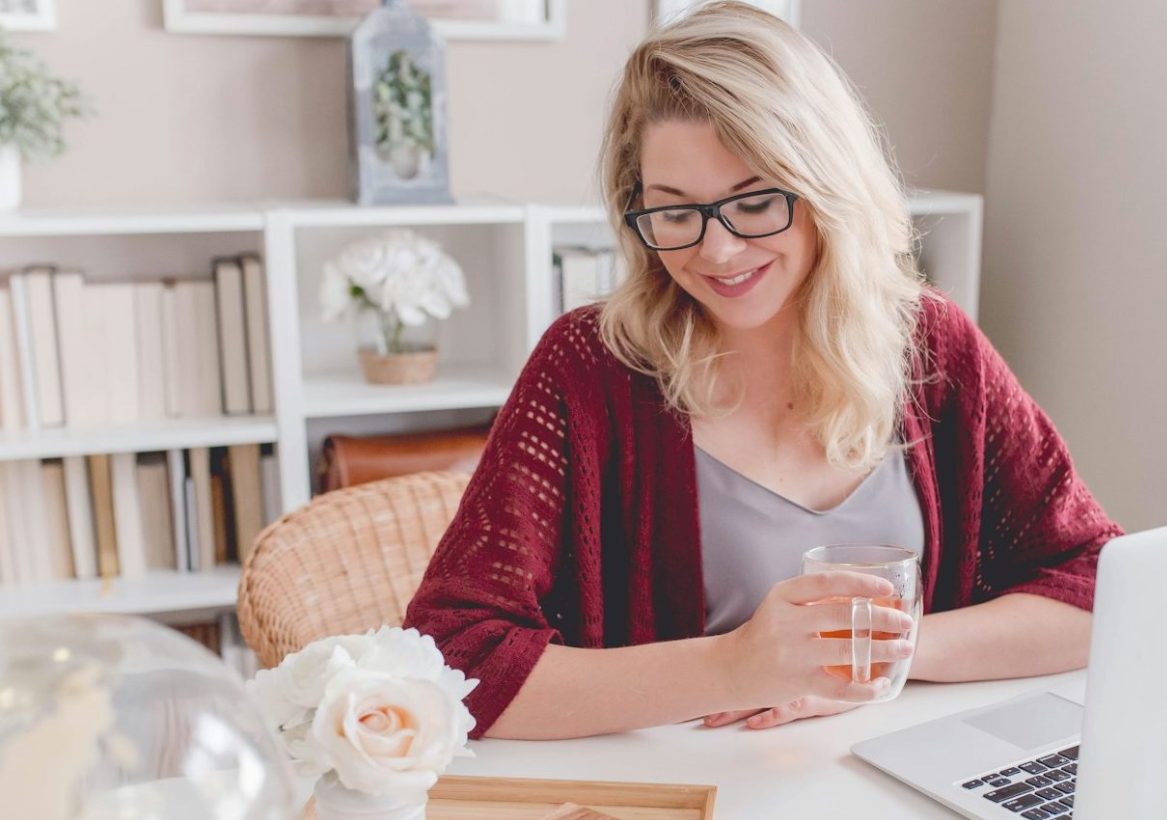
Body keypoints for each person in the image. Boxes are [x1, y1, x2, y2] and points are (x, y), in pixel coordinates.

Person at [404, 1, 1121, 740]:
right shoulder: (588, 370)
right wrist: (736, 665)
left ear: (826, 188)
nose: (716, 252)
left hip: (892, 789)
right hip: (678, 809)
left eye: (754, 202)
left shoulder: (932, 347)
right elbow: (450, 658)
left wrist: (878, 657)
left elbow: (1101, 585)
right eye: (674, 211)